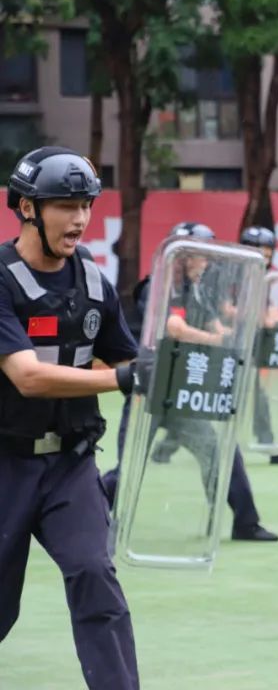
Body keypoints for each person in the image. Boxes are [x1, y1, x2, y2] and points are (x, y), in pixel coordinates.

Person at [0, 147, 140, 689]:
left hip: (71, 465)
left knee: (94, 576)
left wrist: (171, 368)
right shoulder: (3, 281)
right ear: (28, 208)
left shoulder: (95, 282)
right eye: (64, 204)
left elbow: (127, 358)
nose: (79, 219)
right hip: (6, 465)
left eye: (85, 205)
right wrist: (120, 380)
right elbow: (28, 377)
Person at [102, 222, 278, 542]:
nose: (205, 263)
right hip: (151, 391)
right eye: (199, 256)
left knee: (220, 454)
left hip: (183, 390)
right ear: (183, 256)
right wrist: (214, 337)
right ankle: (94, 516)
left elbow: (215, 322)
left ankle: (245, 521)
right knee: (129, 467)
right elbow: (174, 327)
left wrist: (229, 336)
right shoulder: (158, 286)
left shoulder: (198, 289)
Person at [239, 225, 278, 465]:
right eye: (260, 253)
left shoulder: (260, 279)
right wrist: (259, 316)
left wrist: (275, 316)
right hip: (225, 348)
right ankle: (168, 446)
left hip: (248, 348)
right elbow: (226, 308)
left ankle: (270, 446)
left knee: (257, 396)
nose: (265, 258)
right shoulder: (234, 276)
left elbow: (265, 309)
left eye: (268, 253)